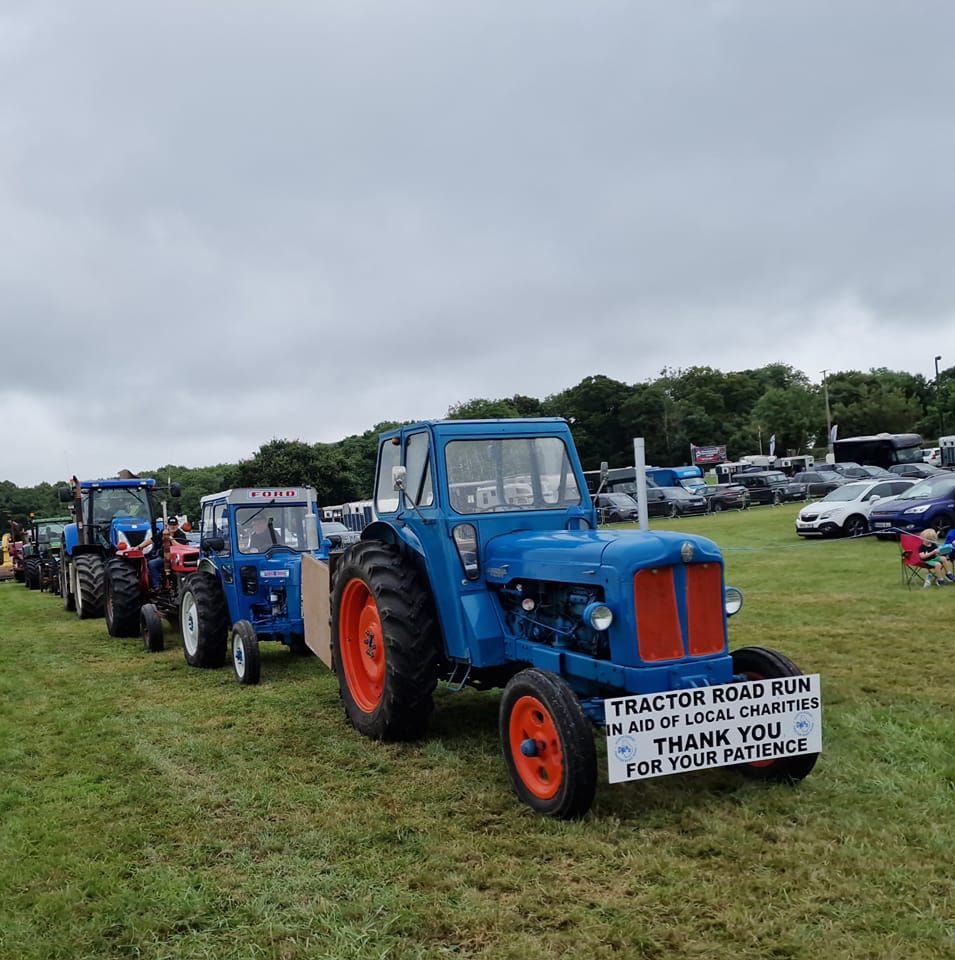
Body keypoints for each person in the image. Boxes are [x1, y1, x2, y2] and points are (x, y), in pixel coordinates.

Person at [148, 515, 187, 589]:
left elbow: (181, 547)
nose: (172, 527)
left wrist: (171, 539)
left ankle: (180, 586)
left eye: (174, 525)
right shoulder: (163, 532)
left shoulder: (181, 535)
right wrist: (140, 546)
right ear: (167, 525)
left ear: (177, 525)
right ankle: (157, 586)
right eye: (171, 525)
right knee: (152, 564)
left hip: (176, 560)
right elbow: (152, 540)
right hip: (163, 558)